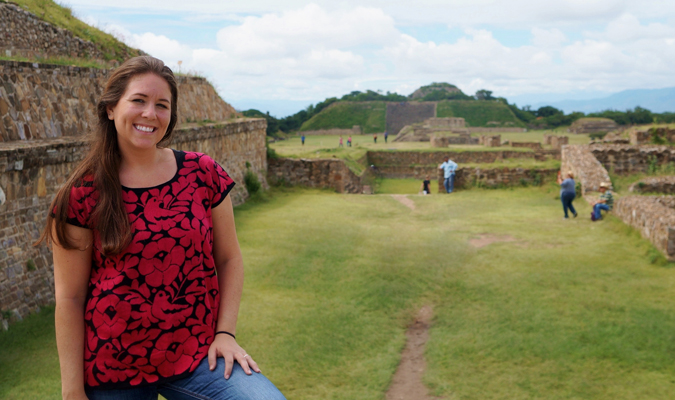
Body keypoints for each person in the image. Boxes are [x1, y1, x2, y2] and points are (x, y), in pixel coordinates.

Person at [40, 56, 286, 400]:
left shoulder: (202, 173)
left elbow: (229, 259)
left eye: (162, 105)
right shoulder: (83, 193)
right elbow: (70, 297)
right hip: (114, 367)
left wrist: (226, 334)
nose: (149, 114)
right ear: (111, 108)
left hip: (198, 355)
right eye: (138, 100)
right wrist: (72, 391)